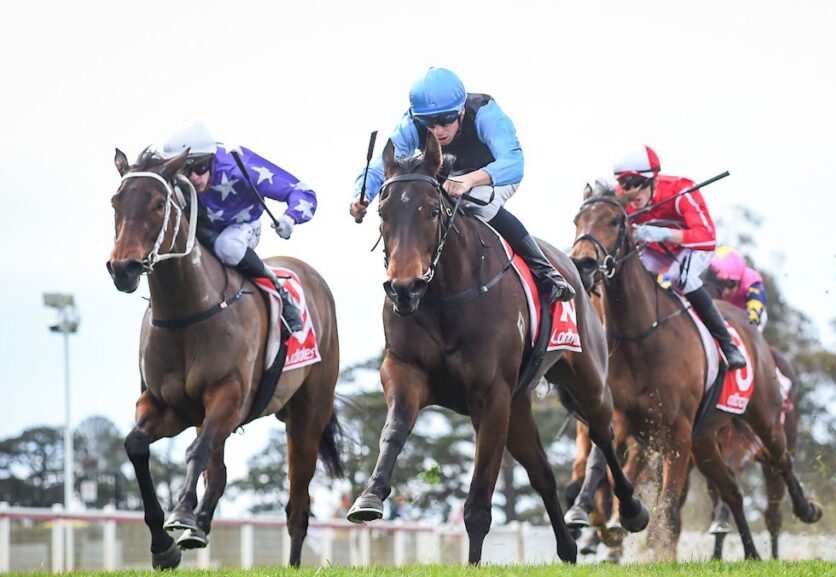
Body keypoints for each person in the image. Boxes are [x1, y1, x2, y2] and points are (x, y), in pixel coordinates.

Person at [349, 67, 574, 302]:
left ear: (461, 110)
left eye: (446, 120)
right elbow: (381, 165)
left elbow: (514, 162)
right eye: (428, 123)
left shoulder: (486, 113)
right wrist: (362, 195)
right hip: (447, 178)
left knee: (475, 207)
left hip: (493, 175)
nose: (437, 131)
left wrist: (470, 180)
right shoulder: (410, 124)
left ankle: (546, 272)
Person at [159, 120, 316, 333]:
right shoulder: (171, 176)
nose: (194, 178)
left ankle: (280, 292)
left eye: (201, 167)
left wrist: (291, 217)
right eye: (185, 170)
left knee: (227, 246)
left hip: (241, 226)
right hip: (200, 226)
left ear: (212, 159)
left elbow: (303, 192)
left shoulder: (240, 167)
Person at [613, 145, 746, 369]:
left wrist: (663, 233)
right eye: (625, 186)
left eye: (638, 185)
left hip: (694, 248)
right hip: (656, 250)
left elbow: (707, 238)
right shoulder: (622, 199)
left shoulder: (681, 190)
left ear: (653, 181)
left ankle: (727, 344)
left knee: (679, 277)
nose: (633, 194)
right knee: (628, 274)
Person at [710, 246, 769, 331]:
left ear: (739, 280)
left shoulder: (752, 282)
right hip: (723, 311)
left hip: (745, 312)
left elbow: (754, 315)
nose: (725, 291)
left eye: (730, 284)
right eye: (720, 284)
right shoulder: (708, 276)